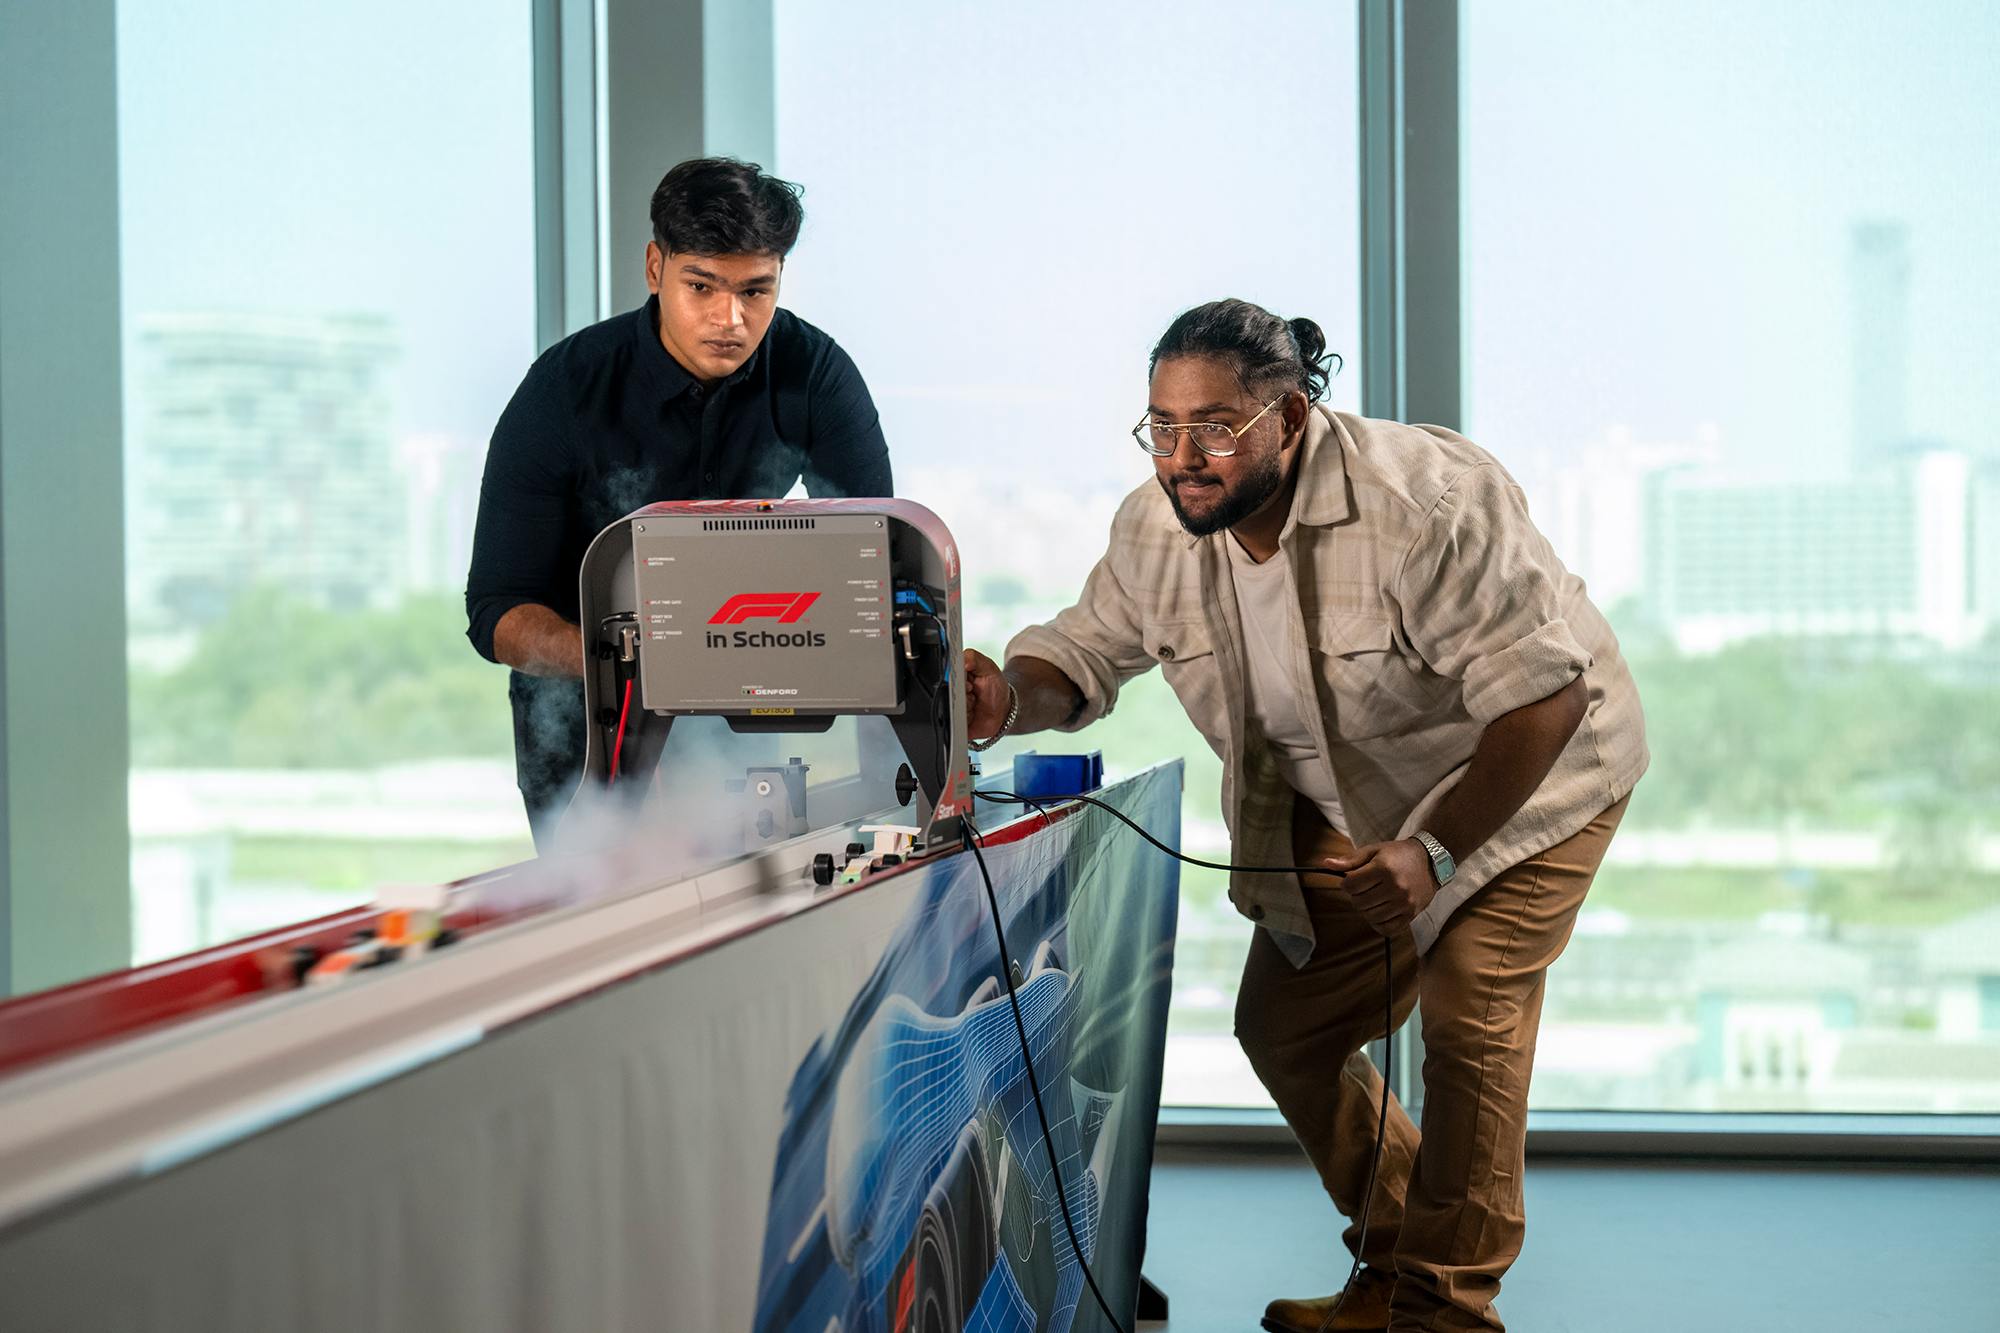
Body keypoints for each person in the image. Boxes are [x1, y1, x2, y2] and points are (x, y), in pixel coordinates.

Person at [962, 299, 1646, 1332]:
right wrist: (1010, 699)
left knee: (1470, 1015)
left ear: (1288, 418)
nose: (1182, 456)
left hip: (1529, 783)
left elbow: (1544, 697)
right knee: (1282, 1030)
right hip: (1351, 795)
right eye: (1161, 425)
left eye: (1215, 427)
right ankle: (1389, 1264)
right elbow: (1084, 652)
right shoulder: (1160, 525)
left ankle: (1440, 1310)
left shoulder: (1423, 503)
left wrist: (1434, 847)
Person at [466, 158, 892, 846]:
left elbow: (881, 566)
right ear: (654, 267)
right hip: (580, 723)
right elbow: (495, 612)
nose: (731, 319)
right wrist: (622, 661)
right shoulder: (562, 391)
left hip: (745, 712)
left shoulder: (815, 374)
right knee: (612, 923)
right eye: (703, 286)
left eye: (758, 291)